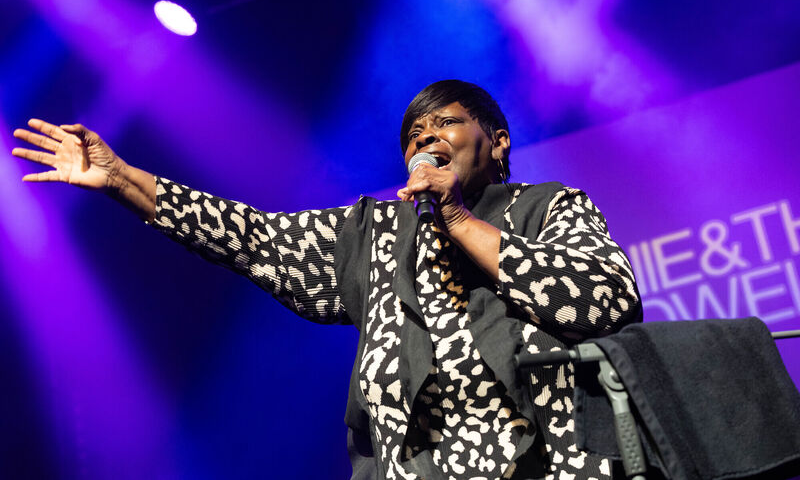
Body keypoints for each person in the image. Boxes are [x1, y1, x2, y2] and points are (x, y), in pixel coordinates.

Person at [11, 80, 641, 480]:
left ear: (496, 143)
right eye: (413, 136)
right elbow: (253, 237)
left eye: (443, 125)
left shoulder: (547, 207)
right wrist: (122, 179)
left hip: (549, 467)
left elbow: (607, 299)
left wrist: (455, 217)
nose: (424, 138)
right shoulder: (373, 233)